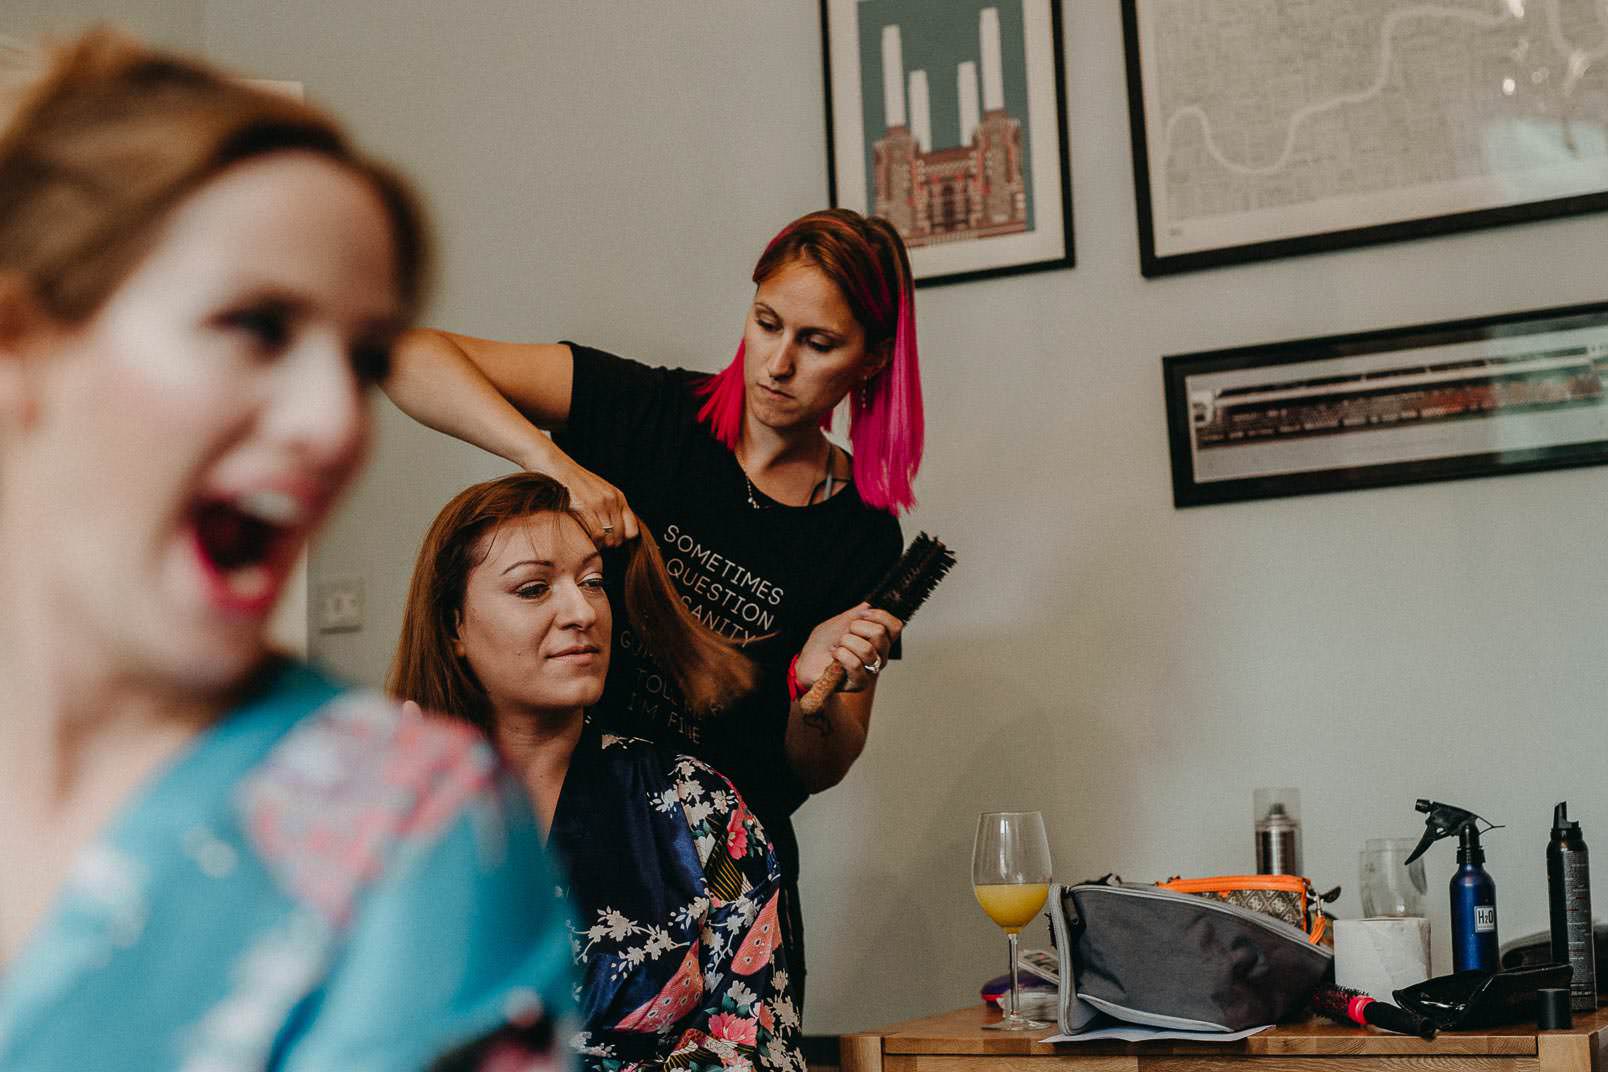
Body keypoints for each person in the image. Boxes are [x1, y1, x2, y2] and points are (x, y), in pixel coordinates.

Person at [0, 31, 571, 1069]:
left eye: (358, 361)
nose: (337, 423)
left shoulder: (412, 828)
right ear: (20, 346)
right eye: (256, 325)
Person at [383, 209, 925, 1006]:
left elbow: (821, 762)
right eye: (766, 322)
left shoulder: (863, 535)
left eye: (817, 343)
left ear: (871, 360)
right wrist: (550, 460)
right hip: (571, 819)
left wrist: (817, 693)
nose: (776, 363)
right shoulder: (644, 413)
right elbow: (403, 356)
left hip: (718, 871)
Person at [389, 472, 803, 1072]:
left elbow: (762, 1049)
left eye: (593, 582)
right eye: (533, 588)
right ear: (454, 626)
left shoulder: (697, 805)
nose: (581, 611)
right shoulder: (385, 813)